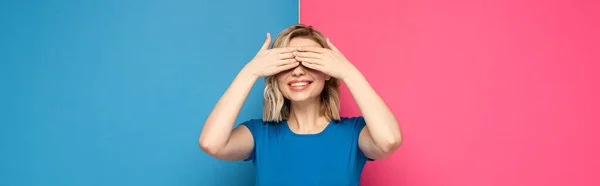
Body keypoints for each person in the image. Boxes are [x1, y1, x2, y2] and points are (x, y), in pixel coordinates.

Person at [199, 24, 402, 186]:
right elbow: (211, 143)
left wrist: (348, 71)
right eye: (287, 63)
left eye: (309, 61)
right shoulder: (261, 135)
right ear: (275, 74)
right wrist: (250, 71)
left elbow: (389, 140)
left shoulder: (353, 134)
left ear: (327, 71)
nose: (297, 72)